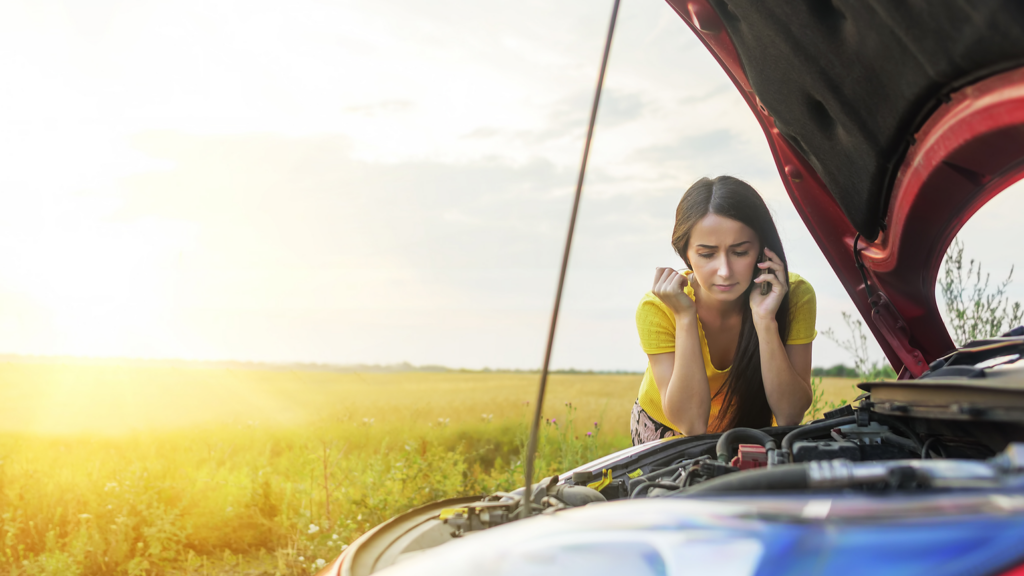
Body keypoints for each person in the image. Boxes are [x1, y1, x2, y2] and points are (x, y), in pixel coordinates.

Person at [630, 176, 817, 445]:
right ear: (686, 255)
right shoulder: (658, 307)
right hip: (667, 434)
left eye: (740, 252)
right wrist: (685, 317)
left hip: (749, 432)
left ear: (763, 251)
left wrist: (765, 320)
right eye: (707, 255)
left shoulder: (795, 295)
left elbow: (789, 415)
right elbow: (691, 424)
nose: (725, 271)